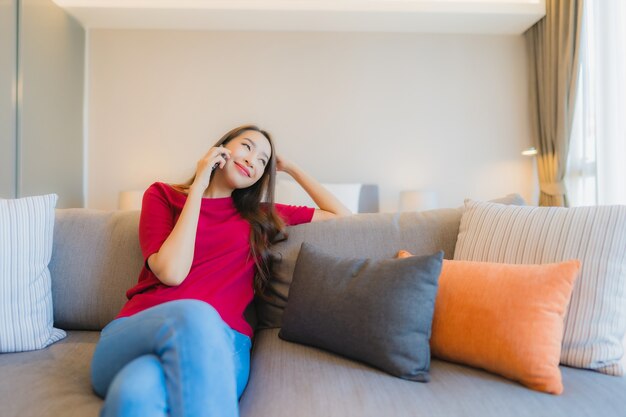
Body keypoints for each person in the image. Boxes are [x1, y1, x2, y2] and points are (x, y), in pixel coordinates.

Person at [90, 125, 351, 417]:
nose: (253, 160)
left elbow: (343, 219)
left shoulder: (260, 216)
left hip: (223, 340)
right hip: (138, 330)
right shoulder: (163, 195)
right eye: (248, 147)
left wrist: (290, 167)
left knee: (134, 392)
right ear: (221, 148)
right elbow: (172, 272)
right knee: (194, 314)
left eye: (263, 160)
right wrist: (199, 188)